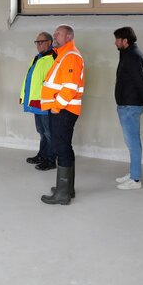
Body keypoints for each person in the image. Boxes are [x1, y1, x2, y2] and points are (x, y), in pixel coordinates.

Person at [40, 25, 84, 205]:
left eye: (59, 33)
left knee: (61, 149)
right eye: (55, 33)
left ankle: (62, 194)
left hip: (63, 110)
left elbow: (70, 88)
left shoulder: (71, 56)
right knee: (65, 147)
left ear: (69, 37)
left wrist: (56, 107)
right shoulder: (63, 54)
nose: (55, 35)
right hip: (62, 110)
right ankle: (66, 189)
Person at [114, 26, 143, 190]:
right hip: (127, 104)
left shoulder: (132, 56)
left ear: (125, 41)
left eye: (117, 39)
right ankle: (133, 173)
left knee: (133, 142)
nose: (115, 42)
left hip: (130, 106)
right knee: (131, 142)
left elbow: (141, 80)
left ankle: (135, 179)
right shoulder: (128, 54)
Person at [20, 31, 56, 170]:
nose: (38, 45)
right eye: (37, 42)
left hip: (46, 102)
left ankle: (51, 160)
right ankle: (42, 155)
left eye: (41, 42)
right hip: (36, 102)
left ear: (49, 42)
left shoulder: (53, 58)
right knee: (41, 131)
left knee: (49, 132)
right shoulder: (37, 58)